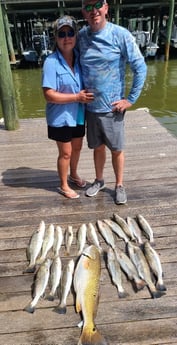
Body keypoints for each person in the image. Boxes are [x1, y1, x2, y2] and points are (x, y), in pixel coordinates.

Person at [78, 0, 147, 204]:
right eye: (88, 7)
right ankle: (99, 180)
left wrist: (130, 99)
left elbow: (140, 67)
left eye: (98, 4)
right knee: (97, 148)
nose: (94, 11)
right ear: (83, 12)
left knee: (117, 149)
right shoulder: (81, 36)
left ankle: (119, 185)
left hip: (112, 108)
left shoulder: (120, 34)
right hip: (90, 107)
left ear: (106, 8)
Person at [42, 15, 94, 199]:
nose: (66, 38)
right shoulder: (51, 62)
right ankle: (64, 185)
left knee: (77, 147)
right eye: (61, 34)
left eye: (70, 32)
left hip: (78, 114)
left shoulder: (81, 58)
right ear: (56, 38)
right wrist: (77, 96)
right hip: (60, 116)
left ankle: (73, 174)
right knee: (65, 152)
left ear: (76, 36)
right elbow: (48, 95)